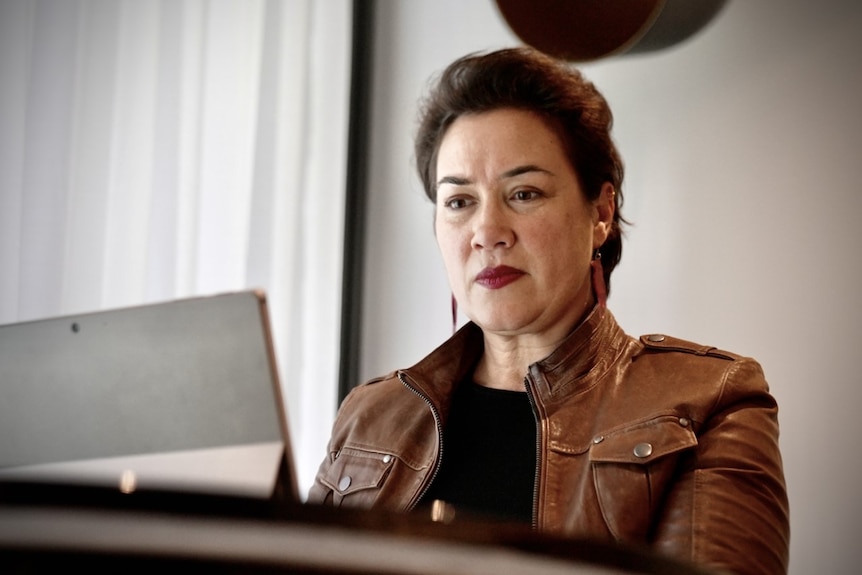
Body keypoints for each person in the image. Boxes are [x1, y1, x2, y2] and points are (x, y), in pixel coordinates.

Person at [308, 47, 789, 575]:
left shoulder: (709, 402)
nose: (487, 232)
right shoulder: (369, 416)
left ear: (601, 214)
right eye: (459, 201)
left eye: (524, 192)